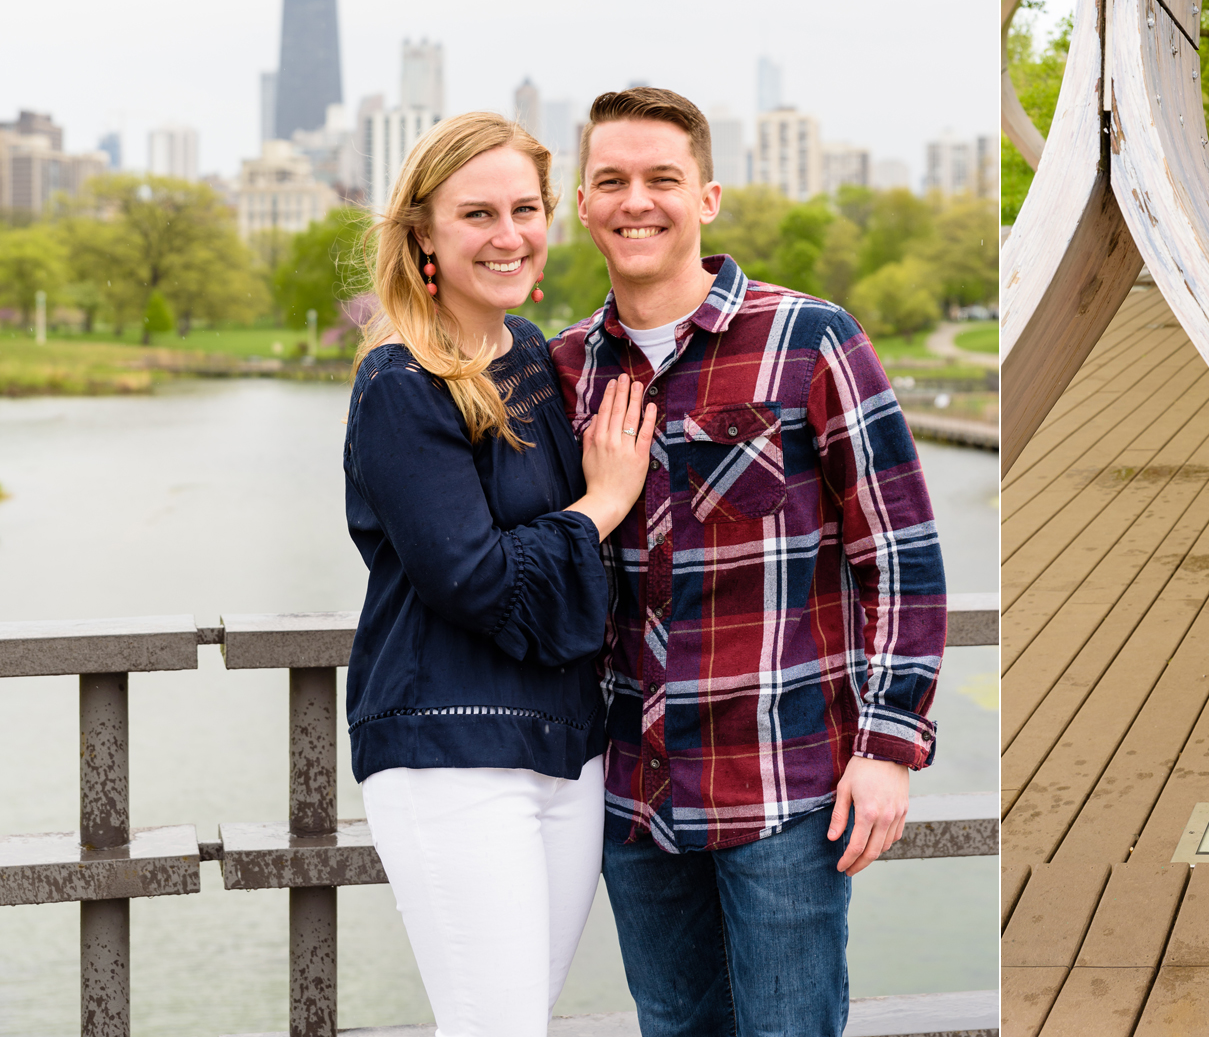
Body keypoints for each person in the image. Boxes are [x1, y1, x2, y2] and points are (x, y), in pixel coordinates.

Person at [549, 87, 948, 1037]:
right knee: (674, 1027)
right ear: (582, 202)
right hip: (633, 795)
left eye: (661, 179)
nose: (635, 200)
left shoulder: (811, 340)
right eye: (611, 180)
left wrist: (890, 747)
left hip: (783, 783)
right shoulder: (562, 369)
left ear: (709, 196)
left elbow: (899, 554)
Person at [343, 112, 657, 1033]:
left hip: (567, 748)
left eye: (526, 208)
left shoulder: (528, 353)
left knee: (515, 1017)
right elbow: (472, 577)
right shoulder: (402, 383)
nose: (509, 233)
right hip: (449, 749)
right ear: (424, 234)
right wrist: (602, 502)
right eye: (477, 212)